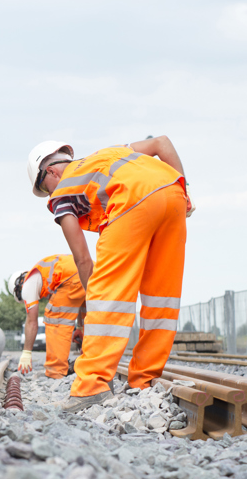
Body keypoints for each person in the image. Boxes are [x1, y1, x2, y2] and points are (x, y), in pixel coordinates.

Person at [26, 137, 193, 412]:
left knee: (108, 295)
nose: (49, 194)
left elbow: (82, 259)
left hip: (131, 199)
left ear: (52, 173)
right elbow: (162, 143)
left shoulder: (61, 193)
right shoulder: (110, 154)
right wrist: (185, 192)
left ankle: (91, 386)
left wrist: (94, 301)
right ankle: (144, 379)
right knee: (161, 294)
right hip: (172, 190)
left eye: (45, 188)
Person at [8, 254, 86, 378]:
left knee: (54, 316)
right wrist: (81, 328)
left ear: (19, 288)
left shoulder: (28, 284)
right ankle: (90, 361)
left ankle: (56, 370)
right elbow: (82, 304)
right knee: (93, 317)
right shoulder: (46, 278)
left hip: (72, 276)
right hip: (89, 268)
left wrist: (27, 352)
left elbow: (32, 322)